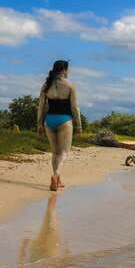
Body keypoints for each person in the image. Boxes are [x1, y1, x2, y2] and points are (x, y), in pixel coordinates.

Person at [37, 60, 82, 191]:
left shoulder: (46, 85)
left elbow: (41, 107)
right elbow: (75, 107)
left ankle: (58, 179)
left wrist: (39, 124)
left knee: (55, 152)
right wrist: (79, 125)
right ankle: (55, 176)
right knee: (63, 152)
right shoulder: (70, 85)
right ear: (64, 70)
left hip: (49, 120)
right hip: (64, 120)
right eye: (68, 70)